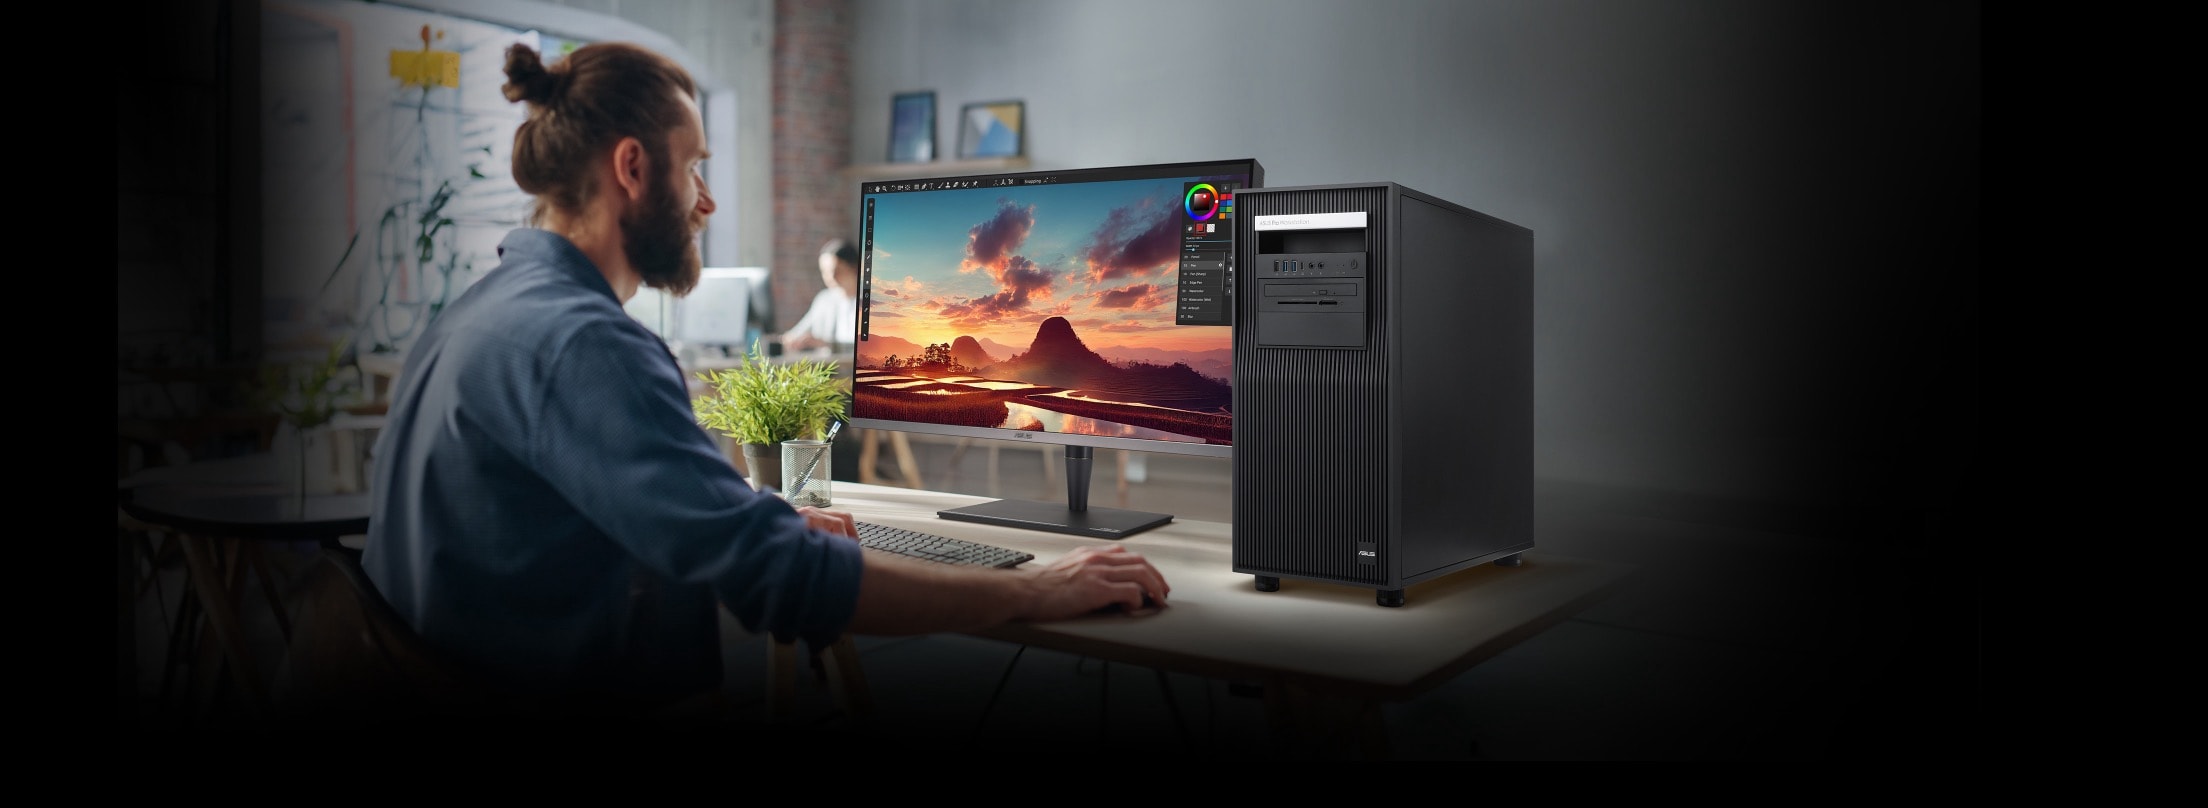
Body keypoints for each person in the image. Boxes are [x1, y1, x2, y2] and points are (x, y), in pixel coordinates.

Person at [361, 41, 1168, 722]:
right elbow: (787, 581)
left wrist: (748, 517)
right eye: (696, 168)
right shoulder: (584, 345)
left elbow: (600, 507)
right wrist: (1036, 593)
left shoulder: (478, 311)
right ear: (633, 169)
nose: (706, 201)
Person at [779, 238, 859, 353]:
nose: (830, 277)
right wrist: (790, 339)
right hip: (829, 368)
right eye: (825, 272)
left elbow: (868, 348)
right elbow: (800, 330)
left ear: (854, 268)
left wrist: (827, 344)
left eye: (837, 271)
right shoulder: (825, 299)